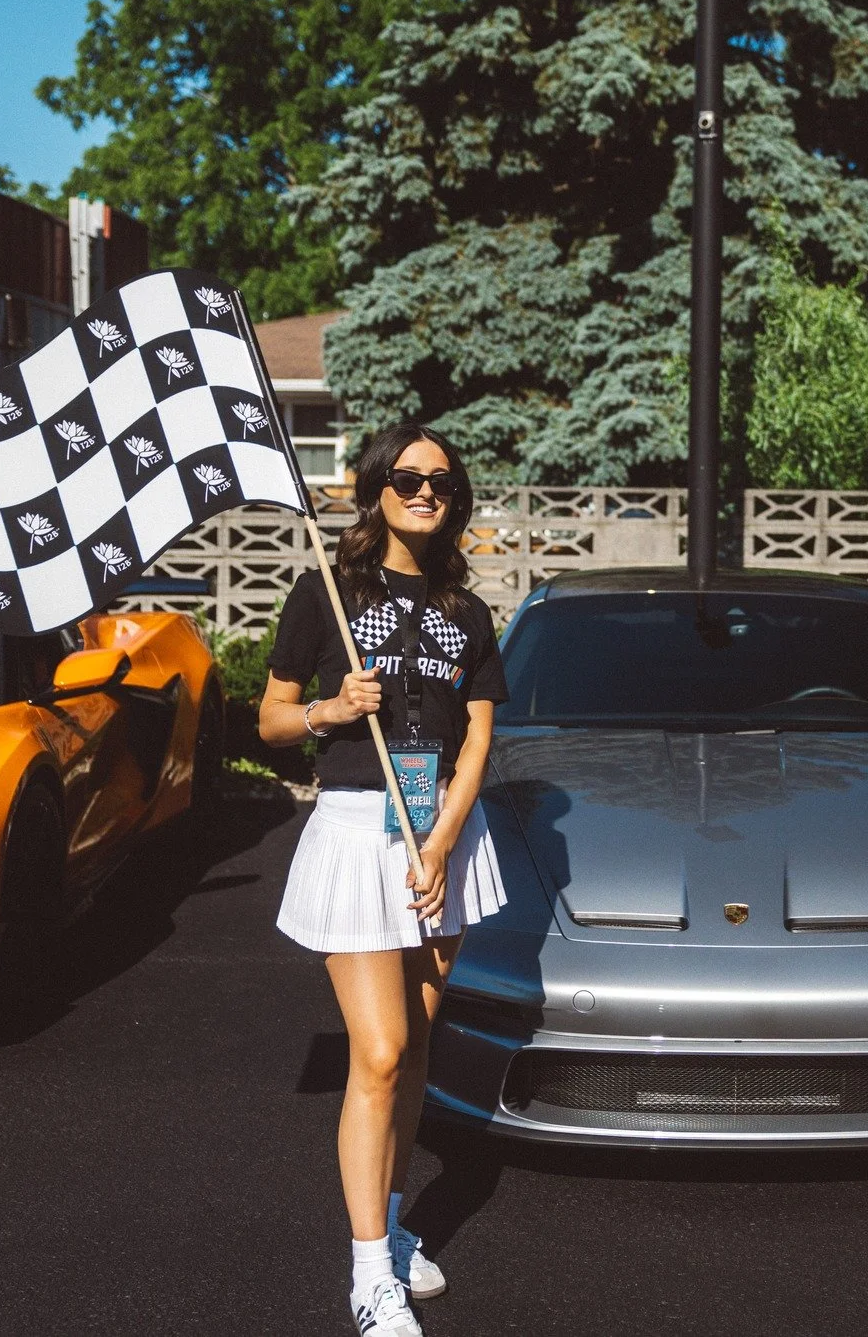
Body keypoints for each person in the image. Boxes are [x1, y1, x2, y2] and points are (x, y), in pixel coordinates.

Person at [260, 424, 509, 1337]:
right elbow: (272, 719)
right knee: (382, 1052)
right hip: (360, 832)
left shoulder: (467, 611)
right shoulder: (324, 592)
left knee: (418, 1058)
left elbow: (478, 736)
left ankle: (397, 1228)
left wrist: (443, 839)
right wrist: (331, 707)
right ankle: (370, 1274)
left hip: (443, 837)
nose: (425, 490)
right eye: (406, 477)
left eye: (441, 480)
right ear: (375, 489)